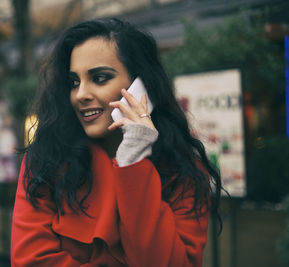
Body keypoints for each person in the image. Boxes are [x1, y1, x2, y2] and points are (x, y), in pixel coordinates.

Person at [11, 18, 222, 267]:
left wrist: (133, 163)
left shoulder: (184, 173)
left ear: (140, 87)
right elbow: (29, 261)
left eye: (100, 78)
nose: (81, 95)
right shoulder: (46, 161)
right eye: (74, 82)